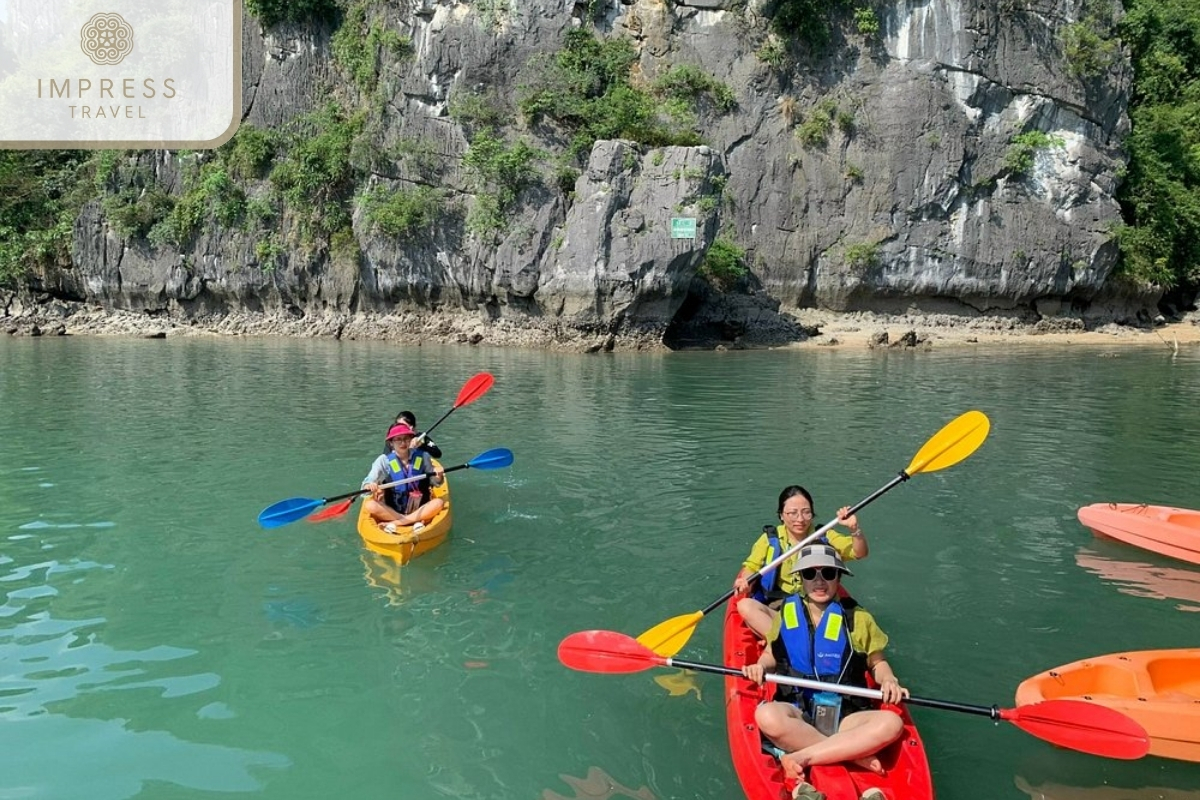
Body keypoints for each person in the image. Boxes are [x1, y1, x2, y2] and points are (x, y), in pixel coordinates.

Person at [742, 544, 906, 800]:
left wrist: (889, 680)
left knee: (892, 724)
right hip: (799, 711)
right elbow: (771, 654)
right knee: (766, 715)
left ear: (838, 578)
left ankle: (802, 755)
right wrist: (759, 667)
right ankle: (855, 754)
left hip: (847, 716)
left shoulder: (858, 618)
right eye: (810, 574)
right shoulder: (786, 613)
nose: (819, 582)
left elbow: (878, 663)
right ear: (801, 579)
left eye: (828, 573)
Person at [734, 486, 869, 639]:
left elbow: (859, 553)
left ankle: (793, 642)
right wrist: (745, 580)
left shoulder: (825, 535)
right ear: (781, 515)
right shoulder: (770, 539)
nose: (800, 519)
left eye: (806, 512)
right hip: (782, 605)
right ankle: (788, 645)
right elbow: (751, 566)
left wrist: (854, 529)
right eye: (792, 513)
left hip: (818, 603)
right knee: (745, 606)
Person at [362, 423, 446, 532]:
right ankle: (413, 521)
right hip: (393, 510)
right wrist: (369, 485)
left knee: (438, 503)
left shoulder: (423, 456)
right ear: (391, 443)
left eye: (406, 439)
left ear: (411, 440)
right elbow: (366, 485)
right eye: (398, 440)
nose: (403, 443)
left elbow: (435, 482)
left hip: (420, 507)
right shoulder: (383, 460)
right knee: (370, 505)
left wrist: (438, 476)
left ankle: (396, 523)